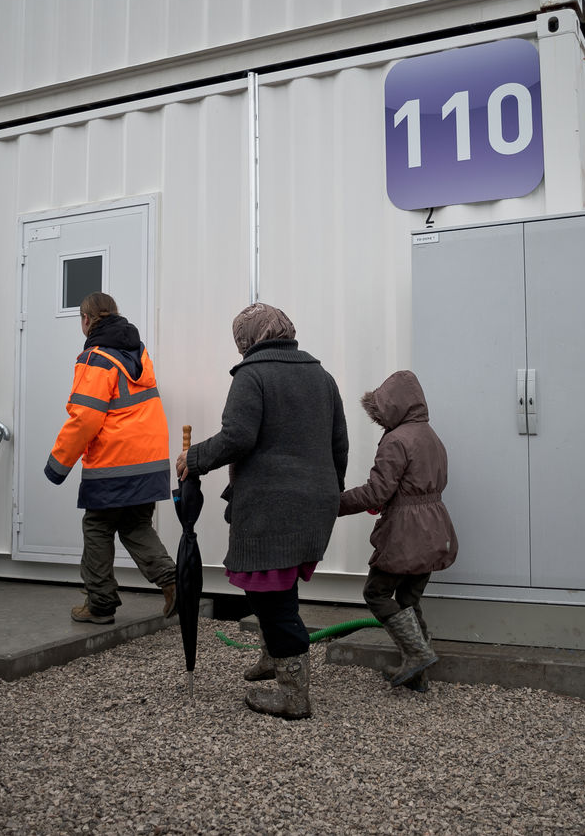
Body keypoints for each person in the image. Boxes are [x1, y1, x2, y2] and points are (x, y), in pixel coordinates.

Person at [176, 303, 348, 720]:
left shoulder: (252, 375)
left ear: (247, 339)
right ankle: (274, 656)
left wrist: (194, 459)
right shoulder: (322, 377)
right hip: (315, 501)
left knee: (271, 594)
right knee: (275, 583)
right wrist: (329, 493)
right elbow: (339, 443)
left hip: (273, 507)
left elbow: (238, 436)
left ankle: (294, 695)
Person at [45, 293, 177, 625]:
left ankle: (100, 604)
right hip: (150, 458)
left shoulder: (96, 358)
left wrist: (58, 464)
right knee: (135, 524)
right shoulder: (138, 352)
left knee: (98, 526)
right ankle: (174, 582)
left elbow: (85, 419)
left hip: (115, 461)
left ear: (86, 320)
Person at [338, 370, 457, 692]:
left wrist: (333, 504)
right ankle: (418, 674)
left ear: (394, 405)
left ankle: (417, 654)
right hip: (435, 529)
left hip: (406, 532)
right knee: (408, 598)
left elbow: (377, 491)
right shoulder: (431, 436)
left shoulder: (396, 440)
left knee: (376, 593)